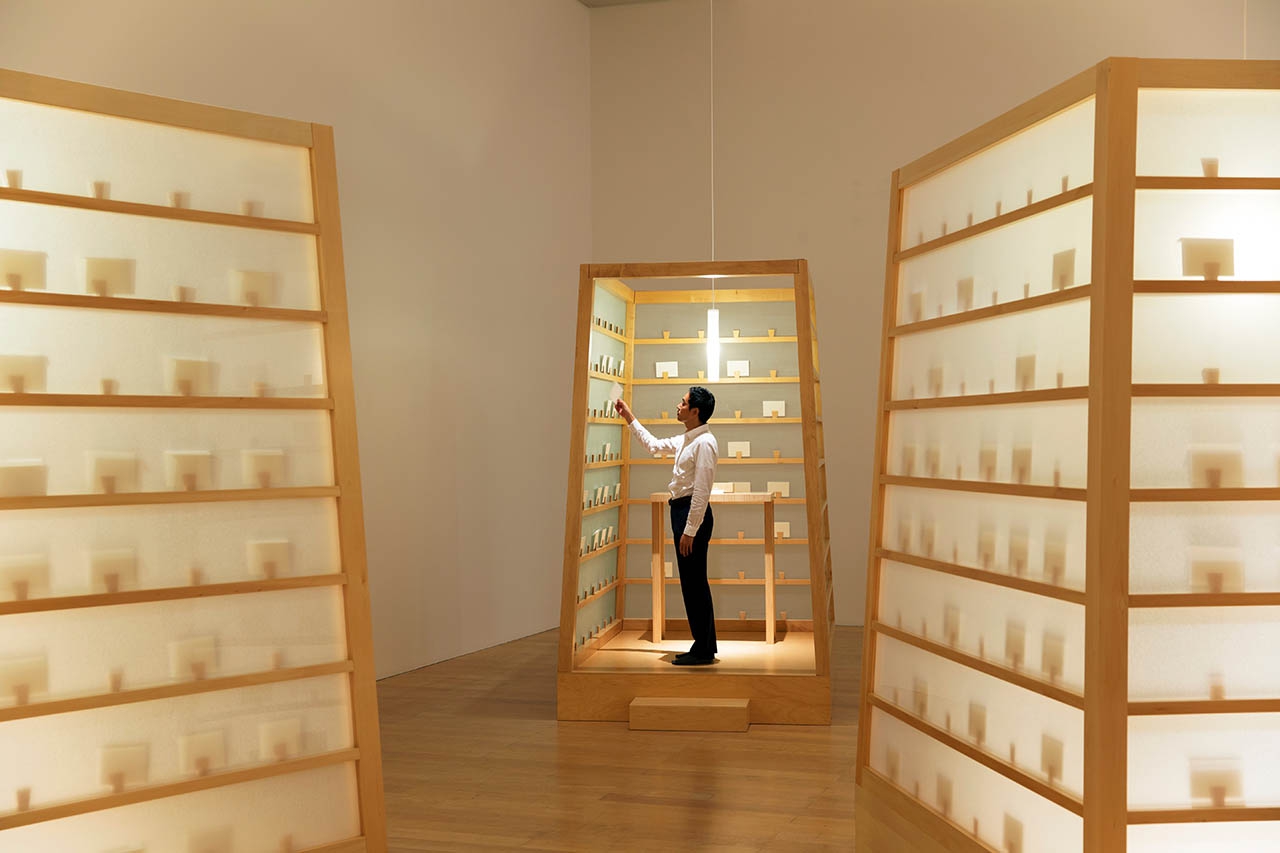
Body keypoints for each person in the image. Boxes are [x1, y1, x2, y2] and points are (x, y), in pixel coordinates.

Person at [615, 387, 719, 665]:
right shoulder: (688, 439)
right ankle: (704, 645)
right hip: (682, 512)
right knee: (691, 582)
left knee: (694, 583)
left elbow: (702, 491)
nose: (678, 406)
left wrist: (690, 530)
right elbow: (653, 446)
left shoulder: (705, 443)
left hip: (690, 515)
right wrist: (629, 417)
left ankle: (704, 649)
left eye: (683, 403)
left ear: (695, 411)